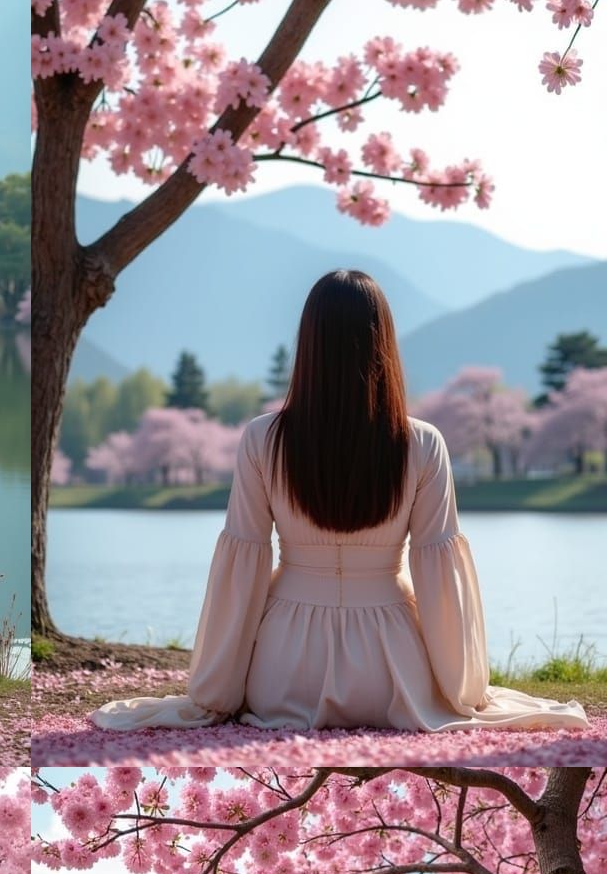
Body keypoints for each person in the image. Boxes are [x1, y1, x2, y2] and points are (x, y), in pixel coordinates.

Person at [91, 272, 588, 735]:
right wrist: (462, 690)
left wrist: (217, 690)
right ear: (385, 342)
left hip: (283, 674)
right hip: (395, 673)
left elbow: (242, 565)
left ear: (308, 343)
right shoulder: (423, 443)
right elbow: (439, 579)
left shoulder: (262, 438)